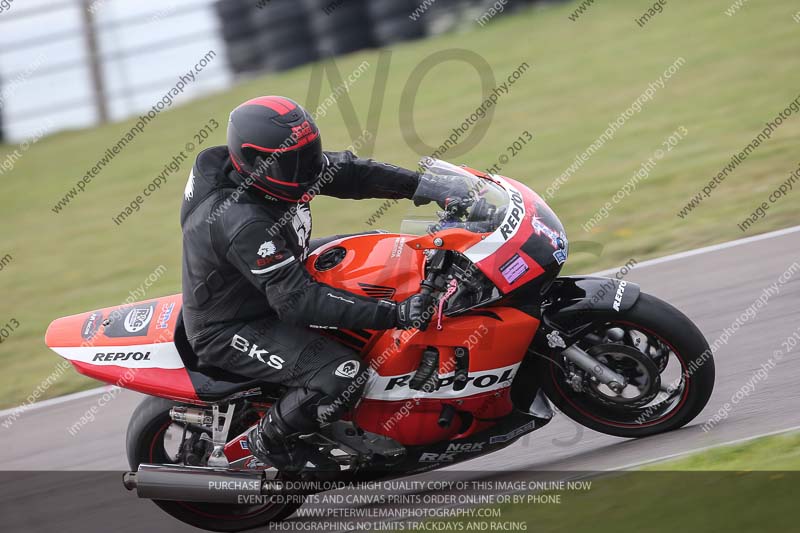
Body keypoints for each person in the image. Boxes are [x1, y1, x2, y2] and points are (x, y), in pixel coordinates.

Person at [180, 96, 433, 472]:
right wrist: (396, 314)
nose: (306, 171)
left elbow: (349, 173)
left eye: (308, 155)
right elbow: (297, 301)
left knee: (384, 251)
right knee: (342, 373)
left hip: (272, 276)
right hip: (234, 324)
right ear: (254, 161)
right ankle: (269, 440)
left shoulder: (275, 169)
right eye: (291, 162)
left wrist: (425, 186)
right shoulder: (242, 221)